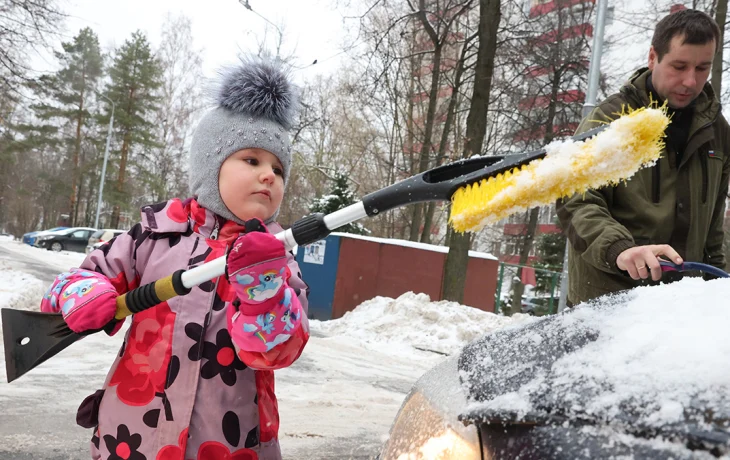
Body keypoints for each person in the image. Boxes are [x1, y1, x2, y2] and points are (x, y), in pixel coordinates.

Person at [40, 57, 309, 460]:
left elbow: (277, 351)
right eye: (251, 160)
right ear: (209, 166)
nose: (269, 175)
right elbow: (76, 281)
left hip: (228, 441)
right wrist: (83, 293)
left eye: (278, 168)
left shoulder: (277, 261)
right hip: (133, 434)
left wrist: (263, 288)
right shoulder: (156, 234)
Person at [557, 9, 730, 305]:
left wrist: (719, 290)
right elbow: (576, 201)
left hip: (681, 310)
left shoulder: (718, 131)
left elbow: (713, 228)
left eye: (702, 68)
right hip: (608, 304)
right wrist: (620, 249)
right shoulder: (610, 120)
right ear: (653, 57)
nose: (690, 81)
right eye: (679, 66)